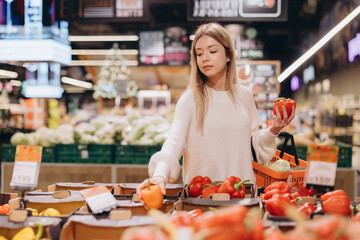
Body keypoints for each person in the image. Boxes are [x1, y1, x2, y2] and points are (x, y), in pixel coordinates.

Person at [136, 22, 295, 198]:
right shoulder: (190, 99)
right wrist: (160, 175)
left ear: (228, 55)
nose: (205, 58)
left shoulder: (245, 95)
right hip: (201, 196)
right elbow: (174, 141)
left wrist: (275, 128)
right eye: (199, 53)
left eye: (212, 51)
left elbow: (252, 144)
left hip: (243, 193)